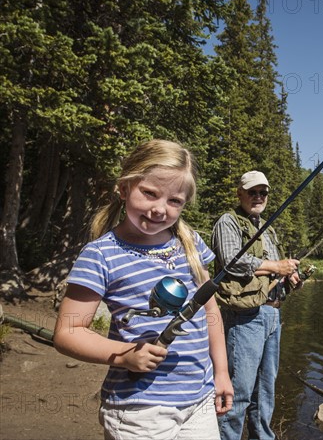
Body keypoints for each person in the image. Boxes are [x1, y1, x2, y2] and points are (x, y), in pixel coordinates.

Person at [53, 139, 233, 440]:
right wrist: (124, 355)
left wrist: (222, 372)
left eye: (174, 201)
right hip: (139, 411)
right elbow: (67, 332)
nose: (160, 209)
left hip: (199, 400)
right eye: (149, 193)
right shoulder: (100, 255)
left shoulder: (190, 242)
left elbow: (210, 310)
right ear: (124, 188)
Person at [211, 170, 302, 440]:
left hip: (272, 315)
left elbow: (270, 272)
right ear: (240, 193)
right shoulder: (228, 222)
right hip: (245, 317)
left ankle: (263, 436)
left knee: (265, 391)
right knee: (238, 392)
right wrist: (276, 265)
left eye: (263, 192)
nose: (258, 197)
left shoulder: (268, 228)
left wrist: (289, 277)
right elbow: (230, 261)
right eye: (252, 192)